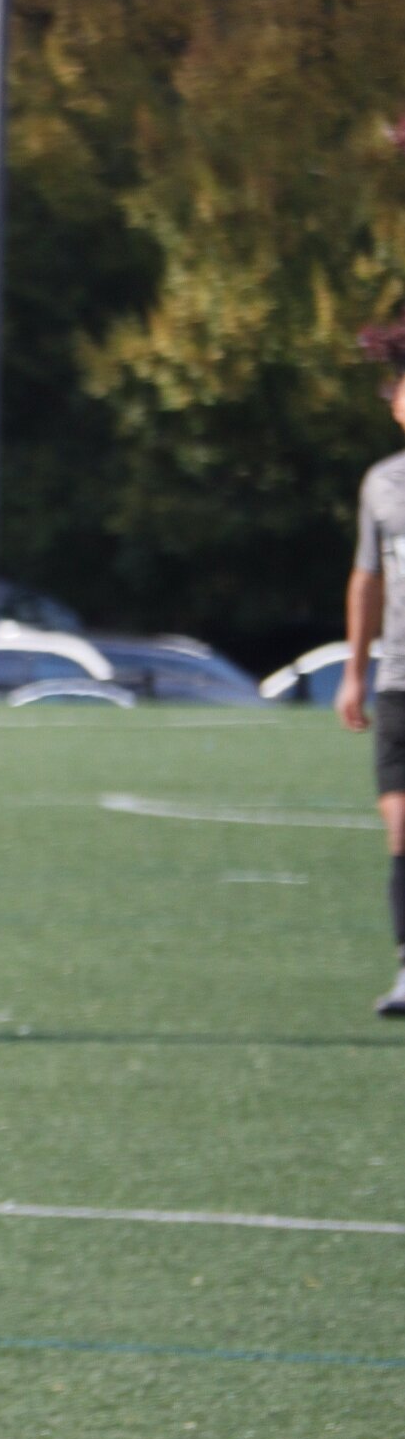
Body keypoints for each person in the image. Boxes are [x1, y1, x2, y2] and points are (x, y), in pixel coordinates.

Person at [333, 332, 405, 1014]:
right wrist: (353, 671)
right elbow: (367, 579)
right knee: (400, 824)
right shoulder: (381, 484)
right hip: (398, 680)